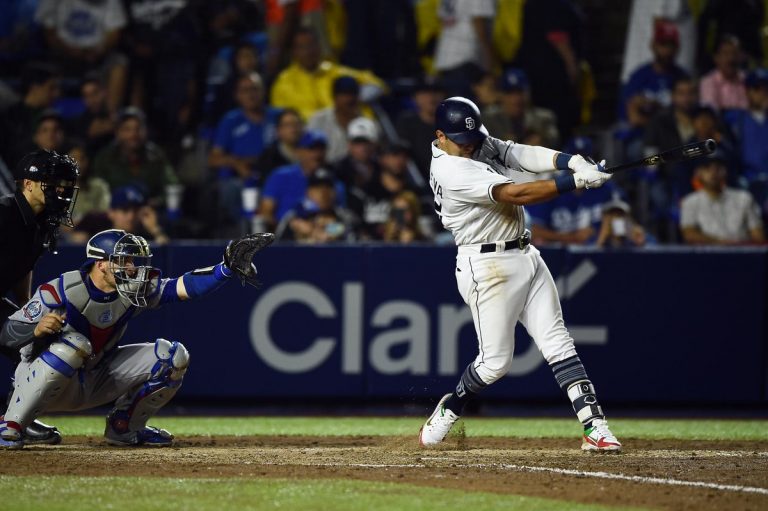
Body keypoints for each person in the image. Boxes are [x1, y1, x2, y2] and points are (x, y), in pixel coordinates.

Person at [419, 97, 621, 452]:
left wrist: (570, 160)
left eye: (472, 139)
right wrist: (574, 182)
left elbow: (519, 154)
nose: (470, 146)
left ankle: (595, 426)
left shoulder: (474, 143)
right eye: (461, 141)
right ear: (441, 136)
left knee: (558, 341)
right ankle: (451, 406)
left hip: (525, 253)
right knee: (495, 364)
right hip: (486, 267)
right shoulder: (452, 170)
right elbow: (516, 192)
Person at [0, 229, 272, 449]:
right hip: (48, 383)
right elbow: (7, 334)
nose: (131, 267)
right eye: (123, 260)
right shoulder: (59, 291)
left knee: (172, 356)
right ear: (101, 263)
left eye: (132, 260)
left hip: (97, 376)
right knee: (72, 347)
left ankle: (124, 427)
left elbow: (183, 287)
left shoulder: (132, 290)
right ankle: (11, 424)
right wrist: (35, 332)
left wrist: (224, 269)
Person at [0, 149, 79, 446]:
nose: (61, 191)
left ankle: (16, 418)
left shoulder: (42, 222)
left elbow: (24, 269)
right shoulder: (4, 212)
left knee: (41, 340)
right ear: (28, 184)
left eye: (64, 185)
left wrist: (27, 312)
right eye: (52, 184)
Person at [270, 28, 386, 121]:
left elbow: (377, 84)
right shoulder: (283, 83)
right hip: (308, 139)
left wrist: (356, 97)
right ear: (294, 52)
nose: (308, 51)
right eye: (302, 47)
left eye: (312, 45)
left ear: (319, 46)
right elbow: (282, 118)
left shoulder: (334, 71)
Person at [92, 107, 178, 207]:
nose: (133, 134)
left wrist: (156, 202)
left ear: (145, 131)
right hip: (115, 213)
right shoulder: (105, 158)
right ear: (118, 133)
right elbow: (96, 192)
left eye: (138, 129)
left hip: (150, 211)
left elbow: (172, 186)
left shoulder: (156, 155)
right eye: (127, 129)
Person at [680, 153, 764, 245]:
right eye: (707, 167)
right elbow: (689, 235)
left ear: (726, 171)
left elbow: (758, 237)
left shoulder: (744, 198)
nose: (713, 172)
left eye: (718, 167)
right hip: (707, 256)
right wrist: (723, 244)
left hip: (741, 254)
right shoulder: (690, 201)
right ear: (699, 173)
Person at [699, 36, 748, 112]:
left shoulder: (746, 79)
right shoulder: (708, 82)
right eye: (726, 54)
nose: (731, 59)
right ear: (716, 58)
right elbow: (711, 112)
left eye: (734, 53)